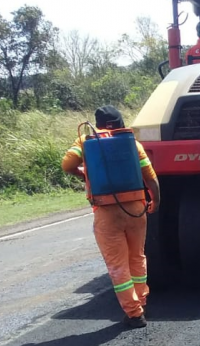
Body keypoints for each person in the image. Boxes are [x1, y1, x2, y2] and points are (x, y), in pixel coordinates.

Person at [61, 106, 161, 328]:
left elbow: (67, 165)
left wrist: (84, 172)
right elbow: (151, 179)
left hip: (106, 211)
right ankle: (141, 302)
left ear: (99, 124)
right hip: (136, 209)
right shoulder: (132, 143)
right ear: (120, 122)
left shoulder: (85, 142)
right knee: (137, 257)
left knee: (118, 265)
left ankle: (134, 314)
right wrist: (155, 201)